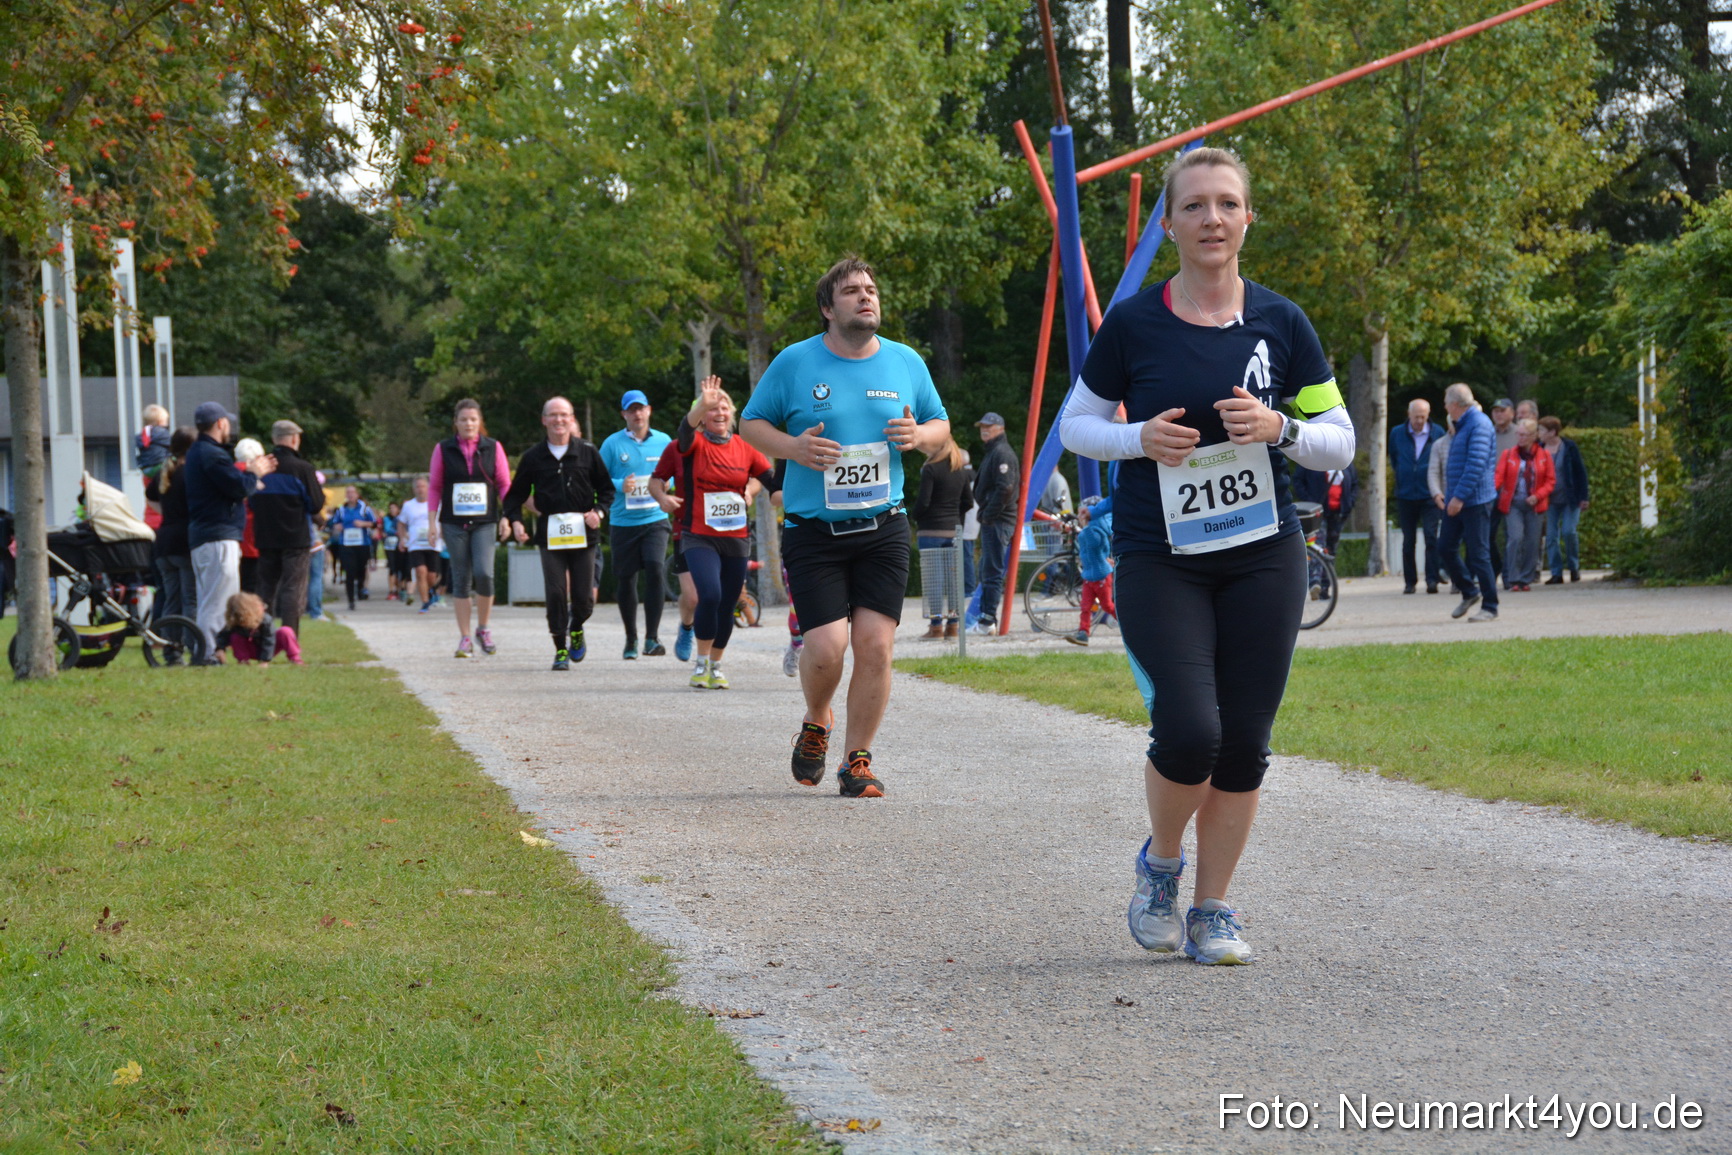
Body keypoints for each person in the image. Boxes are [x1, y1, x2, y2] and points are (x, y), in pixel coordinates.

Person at [1057, 146, 1355, 964]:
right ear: (1173, 222)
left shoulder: (1282, 322)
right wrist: (1137, 439)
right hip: (1163, 555)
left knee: (1245, 742)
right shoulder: (1135, 322)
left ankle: (1212, 909)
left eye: (1227, 204)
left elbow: (1340, 441)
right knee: (1190, 730)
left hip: (1265, 557)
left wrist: (1282, 428)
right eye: (1194, 206)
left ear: (1247, 218)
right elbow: (1075, 425)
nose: (1212, 219)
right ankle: (1160, 864)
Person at [741, 256, 950, 798]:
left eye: (871, 289)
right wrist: (793, 448)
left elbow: (940, 425)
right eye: (852, 290)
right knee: (829, 647)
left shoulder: (905, 362)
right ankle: (816, 718)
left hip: (883, 526)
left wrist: (919, 437)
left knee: (876, 646)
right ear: (827, 308)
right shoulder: (794, 363)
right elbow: (750, 422)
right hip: (815, 532)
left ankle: (857, 760)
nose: (866, 297)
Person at [655, 376, 774, 690]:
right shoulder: (693, 444)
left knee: (729, 601)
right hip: (698, 534)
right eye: (711, 409)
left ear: (732, 413)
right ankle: (702, 661)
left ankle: (717, 664)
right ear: (703, 416)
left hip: (735, 537)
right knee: (709, 594)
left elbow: (768, 478)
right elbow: (684, 432)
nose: (718, 413)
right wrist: (699, 406)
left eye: (723, 407)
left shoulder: (745, 448)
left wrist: (753, 489)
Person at [502, 397, 615, 670]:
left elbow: (608, 490)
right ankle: (560, 648)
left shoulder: (588, 452)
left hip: (583, 536)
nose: (558, 420)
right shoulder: (533, 457)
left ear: (572, 418)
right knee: (555, 593)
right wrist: (515, 521)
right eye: (553, 415)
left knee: (585, 598)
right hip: (550, 537)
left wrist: (597, 513)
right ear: (544, 420)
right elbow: (513, 496)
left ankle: (576, 626)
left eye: (564, 415)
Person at [184, 402, 274, 655]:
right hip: (217, 536)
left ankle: (208, 651)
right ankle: (208, 654)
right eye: (228, 423)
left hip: (205, 535)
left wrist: (248, 476)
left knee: (208, 600)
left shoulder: (197, 451)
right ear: (220, 423)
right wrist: (254, 473)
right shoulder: (212, 454)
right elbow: (238, 487)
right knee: (219, 603)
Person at [427, 399, 512, 658]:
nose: (468, 424)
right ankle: (465, 637)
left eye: (473, 419)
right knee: (461, 577)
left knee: (485, 573)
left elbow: (505, 484)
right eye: (463, 419)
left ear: (480, 422)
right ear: (456, 422)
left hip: (485, 521)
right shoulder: (443, 449)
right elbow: (434, 487)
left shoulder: (493, 447)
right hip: (453, 523)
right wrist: (432, 522)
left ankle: (483, 628)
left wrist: (508, 517)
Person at [599, 390, 674, 660]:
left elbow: (674, 475)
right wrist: (621, 485)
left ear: (649, 410)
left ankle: (652, 638)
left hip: (654, 519)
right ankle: (631, 637)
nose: (637, 414)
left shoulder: (665, 441)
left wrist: (667, 486)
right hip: (622, 523)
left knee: (655, 569)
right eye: (631, 410)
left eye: (641, 408)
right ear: (624, 414)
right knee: (626, 579)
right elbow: (597, 479)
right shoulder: (611, 444)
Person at [249, 420, 324, 632]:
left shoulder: (261, 466)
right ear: (294, 439)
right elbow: (316, 504)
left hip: (265, 537)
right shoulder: (303, 469)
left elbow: (252, 500)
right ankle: (289, 637)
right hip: (295, 539)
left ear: (274, 439)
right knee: (293, 589)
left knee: (265, 590)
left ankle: (262, 637)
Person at [1438, 383, 1500, 621]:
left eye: (1446, 402)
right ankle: (1469, 591)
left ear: (1455, 405)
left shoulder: (1479, 424)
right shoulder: (1463, 425)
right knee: (1445, 547)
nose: (1444, 406)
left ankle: (1491, 606)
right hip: (1458, 498)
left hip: (1474, 500)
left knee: (1479, 553)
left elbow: (1476, 465)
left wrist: (1459, 497)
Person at [913, 436, 973, 638]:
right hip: (953, 531)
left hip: (931, 531)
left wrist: (916, 516)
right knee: (954, 581)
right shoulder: (961, 471)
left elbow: (924, 502)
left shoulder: (930, 469)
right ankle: (954, 625)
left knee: (934, 581)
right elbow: (969, 502)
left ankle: (936, 625)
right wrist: (956, 517)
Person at [970, 412, 1020, 634]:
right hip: (995, 519)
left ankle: (988, 620)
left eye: (989, 425)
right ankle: (985, 618)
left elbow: (1006, 487)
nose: (984, 429)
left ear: (1001, 428)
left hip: (998, 520)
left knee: (992, 571)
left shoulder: (1001, 453)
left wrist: (989, 514)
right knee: (988, 570)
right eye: (982, 425)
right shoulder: (995, 451)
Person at [1390, 397, 1445, 594]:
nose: (1419, 421)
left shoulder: (1438, 432)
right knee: (1408, 540)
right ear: (1409, 415)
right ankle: (1410, 582)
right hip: (1405, 494)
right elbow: (1395, 459)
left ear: (1428, 415)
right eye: (1416, 417)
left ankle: (1432, 579)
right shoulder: (1397, 433)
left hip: (1430, 493)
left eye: (1423, 417)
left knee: (1431, 537)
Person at [1495, 417, 1555, 592]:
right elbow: (1498, 477)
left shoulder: (1544, 456)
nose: (1520, 438)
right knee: (1515, 538)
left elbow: (1551, 481)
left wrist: (1538, 495)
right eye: (1518, 434)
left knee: (1532, 542)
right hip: (1513, 503)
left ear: (1533, 436)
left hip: (1535, 504)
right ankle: (1513, 578)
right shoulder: (1508, 454)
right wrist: (1491, 491)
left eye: (1524, 435)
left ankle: (1526, 578)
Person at [650, 447, 699, 662]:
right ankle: (687, 627)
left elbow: (758, 476)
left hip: (724, 532)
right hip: (687, 529)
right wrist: (662, 497)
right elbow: (656, 481)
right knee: (692, 596)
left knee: (720, 595)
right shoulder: (679, 449)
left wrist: (748, 492)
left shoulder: (734, 445)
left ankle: (710, 657)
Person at [145, 427, 197, 620]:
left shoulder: (164, 472)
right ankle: (194, 646)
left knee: (171, 599)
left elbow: (150, 497)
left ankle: (169, 647)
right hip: (184, 543)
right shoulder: (190, 474)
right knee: (190, 599)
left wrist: (166, 511)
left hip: (163, 543)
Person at [1537, 416, 1591, 583]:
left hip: (1570, 498)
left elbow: (1580, 472)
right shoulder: (1538, 449)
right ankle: (1556, 572)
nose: (1539, 434)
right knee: (1551, 535)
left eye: (1542, 430)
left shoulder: (1569, 447)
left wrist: (1584, 497)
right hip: (1550, 499)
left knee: (1569, 531)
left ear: (1552, 432)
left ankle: (1574, 567)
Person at [1067, 494, 1115, 646]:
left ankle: (1128, 623)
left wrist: (1085, 526)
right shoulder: (1087, 531)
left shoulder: (1097, 532)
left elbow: (1093, 543)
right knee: (1085, 606)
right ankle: (1083, 633)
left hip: (1101, 576)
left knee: (1107, 605)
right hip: (1089, 576)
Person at [214, 591, 304, 665]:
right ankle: (243, 661)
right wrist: (220, 649)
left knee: (285, 631)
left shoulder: (265, 620)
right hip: (251, 648)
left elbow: (269, 640)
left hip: (269, 648)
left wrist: (265, 660)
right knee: (236, 636)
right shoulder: (235, 622)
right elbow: (223, 636)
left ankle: (295, 658)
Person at [328, 486, 378, 611]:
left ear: (357, 494)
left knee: (360, 569)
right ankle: (351, 600)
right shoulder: (341, 510)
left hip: (362, 544)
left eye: (352, 492)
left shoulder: (365, 508)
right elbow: (333, 523)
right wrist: (337, 527)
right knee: (349, 572)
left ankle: (361, 586)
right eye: (348, 493)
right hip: (346, 544)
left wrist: (363, 524)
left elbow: (375, 523)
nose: (350, 495)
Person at [1290, 463, 1355, 556]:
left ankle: (1328, 567)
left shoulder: (1344, 462)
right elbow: (1298, 480)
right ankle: (1318, 569)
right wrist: (1309, 503)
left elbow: (1354, 483)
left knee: (1332, 547)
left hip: (1339, 514)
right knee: (1318, 545)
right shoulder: (1310, 459)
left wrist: (1349, 502)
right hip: (1317, 513)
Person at [399, 476, 438, 613]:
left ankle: (431, 590)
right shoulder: (408, 505)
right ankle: (425, 602)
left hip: (433, 543)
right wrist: (402, 538)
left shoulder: (436, 503)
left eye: (423, 486)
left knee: (431, 576)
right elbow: (401, 523)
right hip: (415, 544)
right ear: (413, 489)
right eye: (417, 486)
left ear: (428, 487)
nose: (420, 489)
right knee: (420, 572)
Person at [381, 500, 408, 602]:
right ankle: (392, 590)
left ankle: (402, 588)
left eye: (394, 508)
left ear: (398, 509)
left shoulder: (402, 518)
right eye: (390, 508)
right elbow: (387, 529)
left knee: (402, 567)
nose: (392, 510)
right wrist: (398, 531)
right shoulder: (387, 519)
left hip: (401, 545)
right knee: (392, 568)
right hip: (390, 546)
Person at [137, 404, 172, 479]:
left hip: (145, 469)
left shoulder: (143, 434)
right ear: (160, 422)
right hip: (158, 467)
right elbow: (173, 446)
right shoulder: (162, 432)